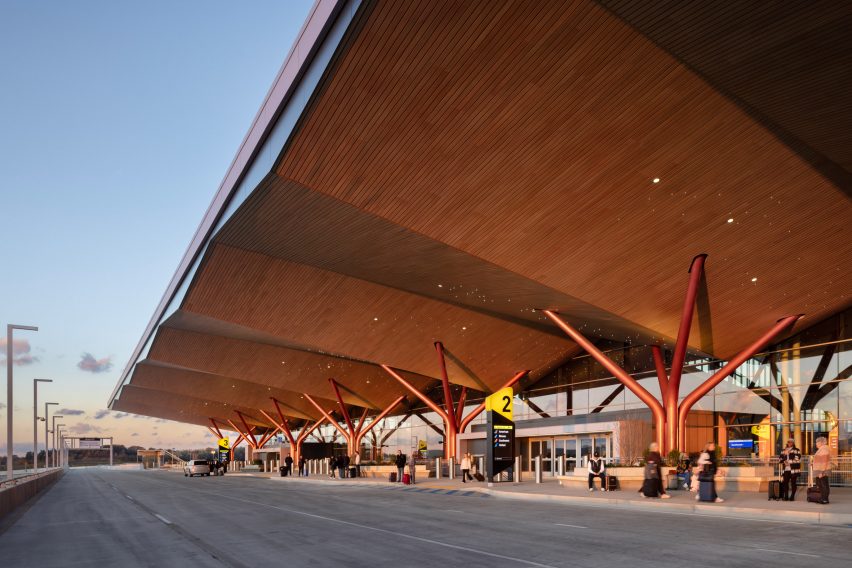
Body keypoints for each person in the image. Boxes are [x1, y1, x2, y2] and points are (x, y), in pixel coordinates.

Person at [812, 436, 831, 504]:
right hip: (820, 470)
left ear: (821, 442)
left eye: (817, 442)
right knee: (821, 484)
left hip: (822, 471)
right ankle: (823, 498)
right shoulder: (822, 449)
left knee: (823, 485)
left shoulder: (824, 449)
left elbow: (824, 461)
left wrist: (821, 472)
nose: (816, 444)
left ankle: (825, 499)